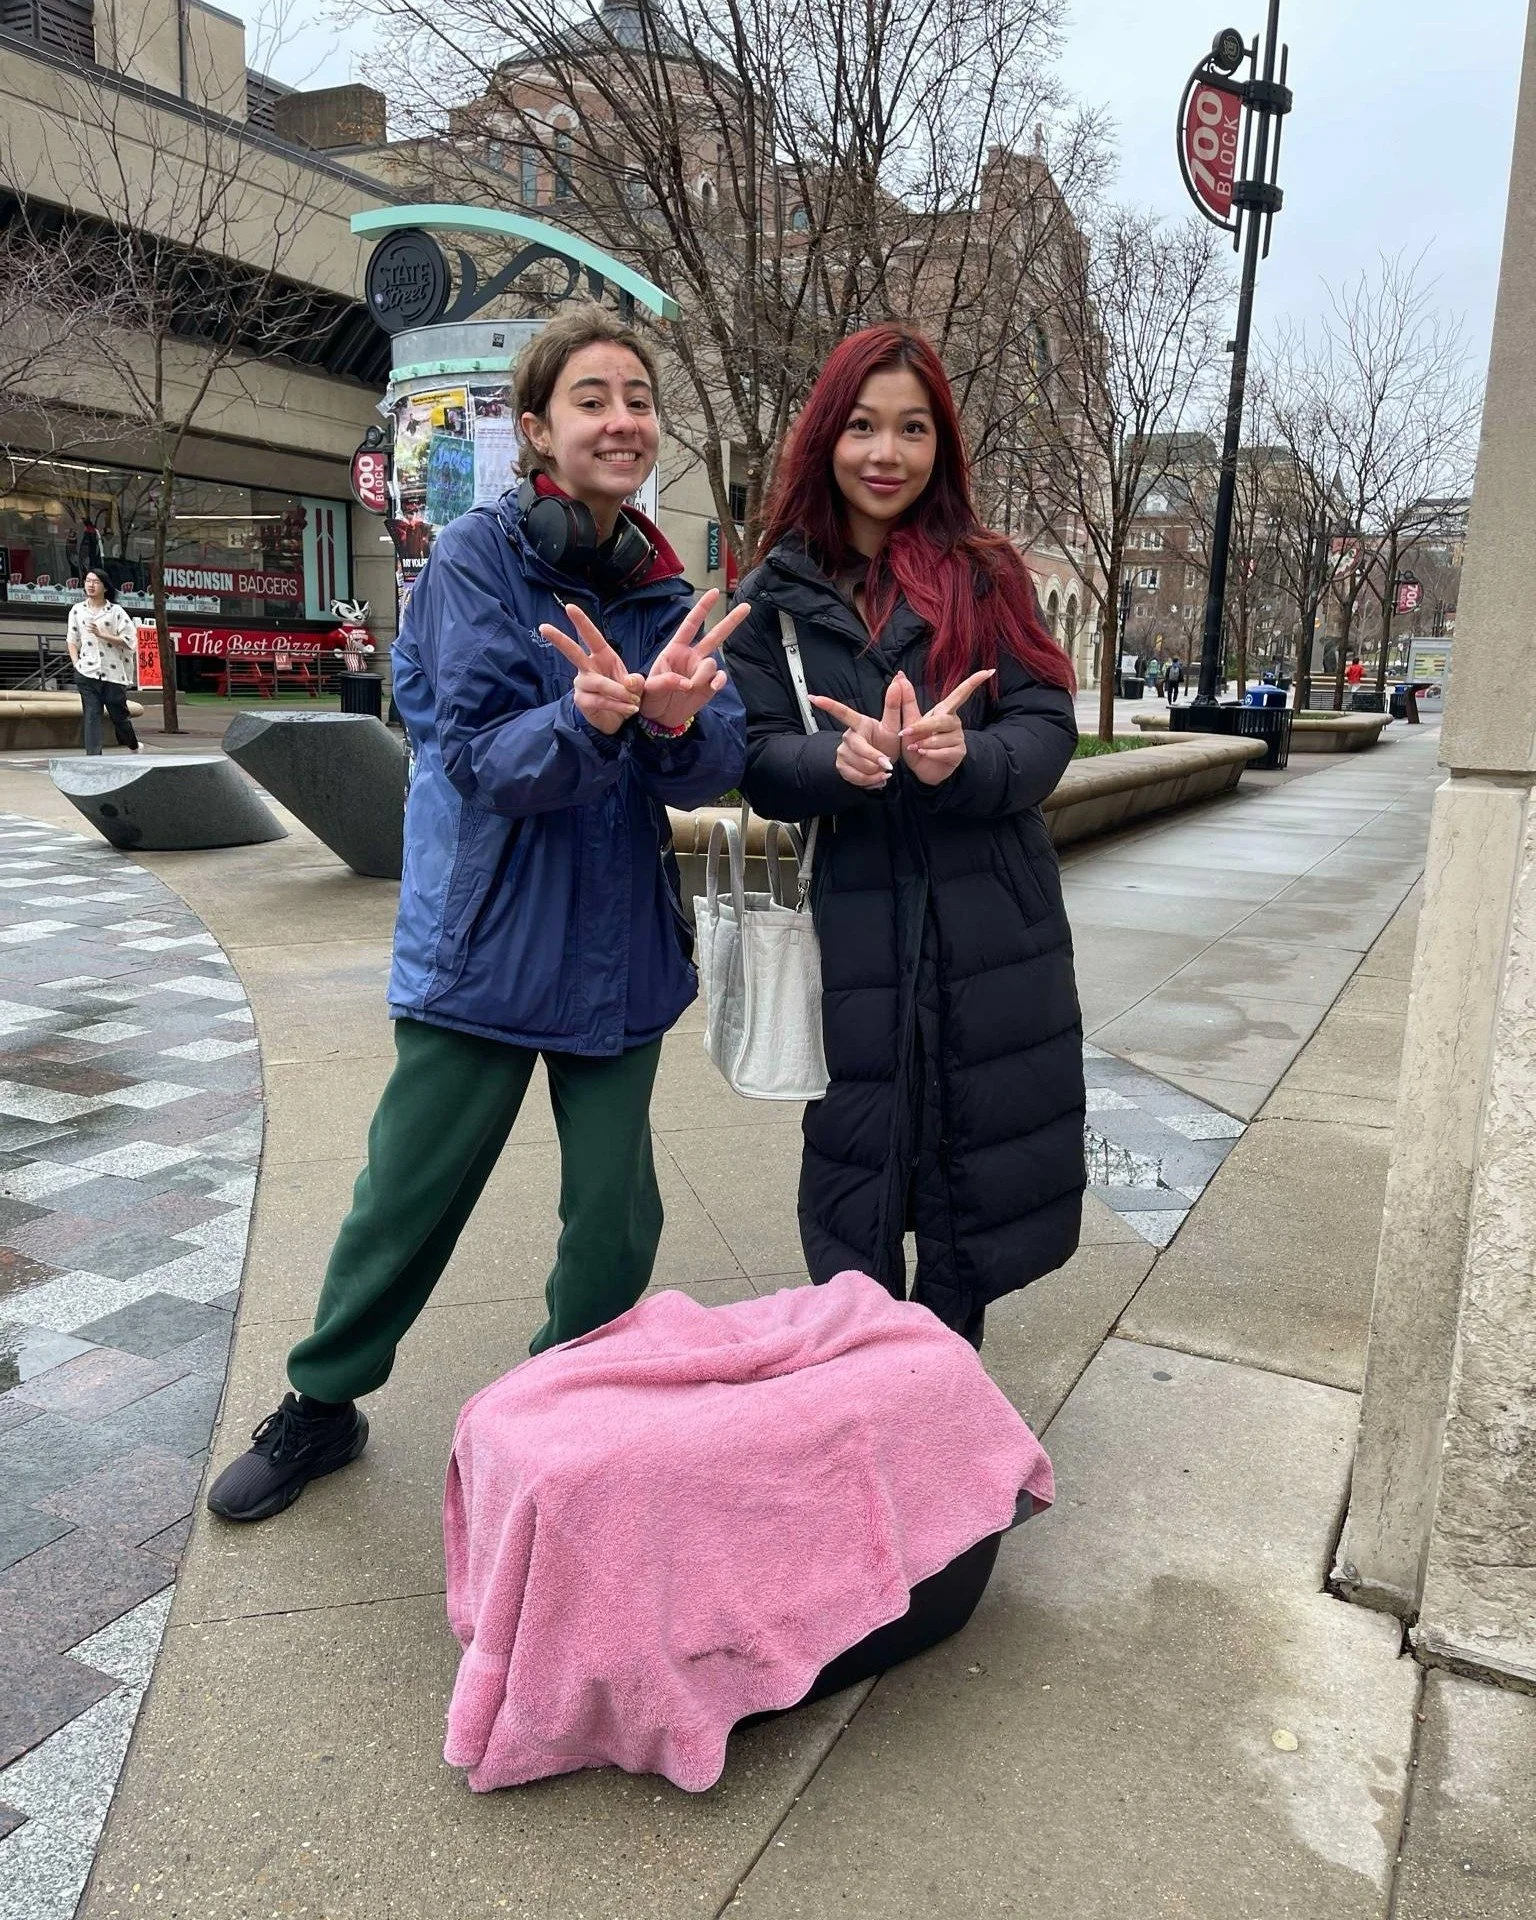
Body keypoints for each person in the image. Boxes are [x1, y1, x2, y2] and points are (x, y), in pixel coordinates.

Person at [207, 307, 748, 1523]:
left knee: (614, 1215)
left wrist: (670, 724)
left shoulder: (661, 581)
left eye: (637, 398)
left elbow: (715, 753)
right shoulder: (473, 560)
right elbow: (476, 755)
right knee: (408, 1193)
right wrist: (590, 718)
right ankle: (323, 1403)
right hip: (490, 940)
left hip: (616, 949)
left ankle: (565, 1418)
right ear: (541, 431)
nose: (622, 419)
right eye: (593, 399)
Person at [727, 325, 1085, 1352]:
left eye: (913, 429)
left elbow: (1047, 726)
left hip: (990, 920)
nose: (887, 453)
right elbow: (752, 754)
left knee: (975, 1172)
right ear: (827, 437)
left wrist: (961, 759)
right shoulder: (775, 601)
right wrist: (827, 767)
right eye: (865, 426)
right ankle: (867, 1397)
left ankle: (948, 1417)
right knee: (859, 1172)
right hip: (857, 918)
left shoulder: (985, 574)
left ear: (942, 446)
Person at [66, 570, 141, 755]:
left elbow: (130, 640)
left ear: (105, 587)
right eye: (88, 581)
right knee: (91, 715)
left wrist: (102, 635)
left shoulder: (116, 612)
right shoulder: (77, 610)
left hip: (113, 673)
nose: (90, 585)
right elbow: (72, 639)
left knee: (119, 716)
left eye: (96, 582)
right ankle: (94, 758)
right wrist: (76, 663)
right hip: (87, 671)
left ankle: (132, 744)